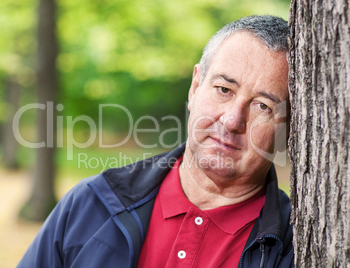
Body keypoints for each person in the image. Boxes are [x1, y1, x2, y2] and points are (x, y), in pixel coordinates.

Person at [18, 15, 293, 268]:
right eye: (224, 89)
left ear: (288, 128)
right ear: (195, 87)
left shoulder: (293, 248)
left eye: (262, 107)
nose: (233, 120)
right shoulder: (91, 205)